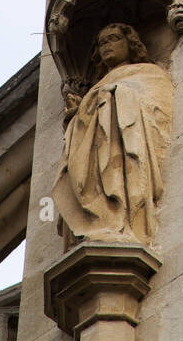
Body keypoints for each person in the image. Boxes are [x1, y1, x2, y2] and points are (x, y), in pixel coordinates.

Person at [53, 23, 173, 246]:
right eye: (102, 43)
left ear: (131, 44)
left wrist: (111, 97)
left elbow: (157, 111)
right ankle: (98, 220)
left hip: (123, 151)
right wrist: (77, 114)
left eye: (114, 39)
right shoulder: (96, 87)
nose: (107, 46)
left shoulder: (148, 74)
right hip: (96, 155)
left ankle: (123, 222)